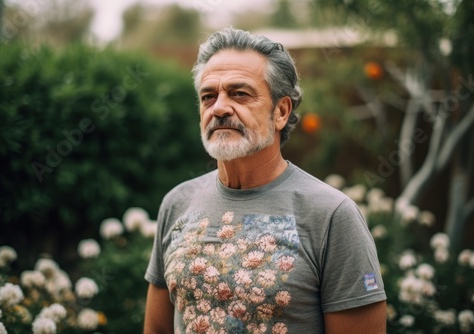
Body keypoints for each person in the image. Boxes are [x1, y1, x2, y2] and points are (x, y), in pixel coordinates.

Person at [143, 27, 387, 334]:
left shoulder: (332, 216)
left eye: (239, 93)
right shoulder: (177, 204)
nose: (218, 107)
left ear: (281, 111)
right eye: (208, 96)